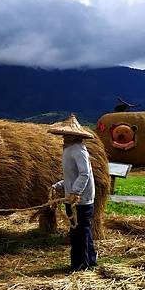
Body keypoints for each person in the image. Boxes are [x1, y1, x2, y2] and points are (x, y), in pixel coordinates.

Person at [48, 114, 97, 272]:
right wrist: (60, 185)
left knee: (79, 233)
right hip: (75, 197)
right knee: (83, 231)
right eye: (64, 134)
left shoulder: (78, 150)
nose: (64, 137)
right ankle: (90, 260)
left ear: (73, 135)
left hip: (79, 200)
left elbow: (84, 174)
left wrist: (75, 191)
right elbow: (73, 175)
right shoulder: (70, 149)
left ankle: (80, 266)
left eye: (67, 134)